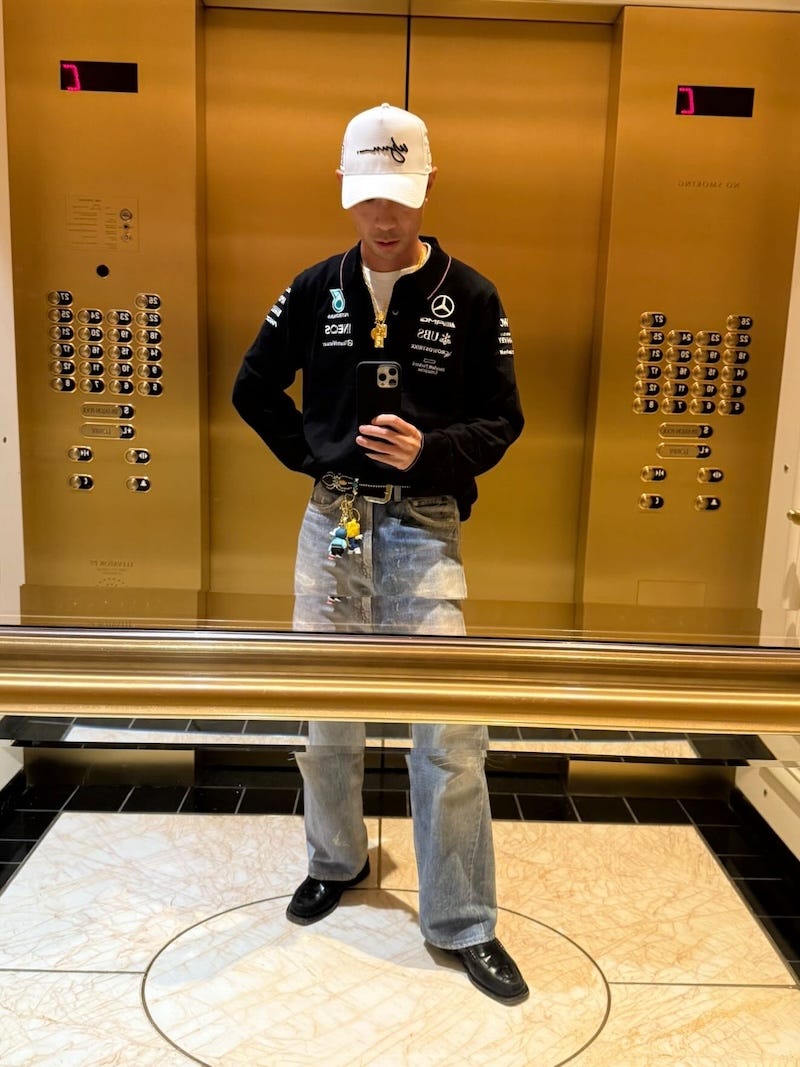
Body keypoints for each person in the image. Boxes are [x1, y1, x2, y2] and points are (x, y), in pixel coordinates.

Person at [232, 102, 526, 1004]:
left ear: (428, 186)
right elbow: (253, 387)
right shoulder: (316, 286)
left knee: (450, 728)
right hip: (335, 523)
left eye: (398, 198)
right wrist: (317, 454)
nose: (385, 220)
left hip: (424, 523)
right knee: (326, 715)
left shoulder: (472, 297)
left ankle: (462, 919)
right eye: (368, 200)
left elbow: (503, 419)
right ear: (346, 192)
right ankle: (336, 858)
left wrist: (430, 453)